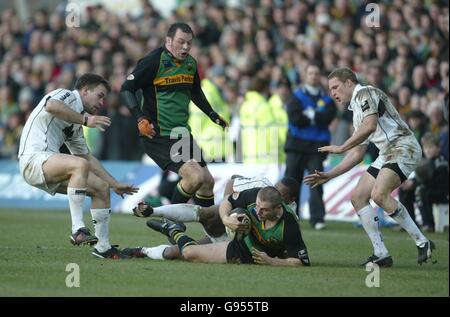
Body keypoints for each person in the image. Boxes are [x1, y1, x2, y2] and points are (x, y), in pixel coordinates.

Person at [304, 67, 435, 266]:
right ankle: (381, 252)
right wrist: (329, 175)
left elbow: (370, 126)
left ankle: (422, 241)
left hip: (402, 146)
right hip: (387, 153)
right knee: (357, 197)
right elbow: (357, 154)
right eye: (330, 90)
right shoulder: (356, 110)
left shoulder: (365, 93)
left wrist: (340, 147)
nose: (333, 94)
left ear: (349, 82)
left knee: (378, 195)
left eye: (336, 87)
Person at [18, 73, 139, 259]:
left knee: (101, 187)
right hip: (33, 159)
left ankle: (103, 247)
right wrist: (86, 121)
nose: (101, 103)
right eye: (99, 95)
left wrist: (114, 183)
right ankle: (78, 230)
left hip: (48, 163)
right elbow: (51, 106)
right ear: (84, 91)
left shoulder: (75, 123)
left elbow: (87, 157)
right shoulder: (67, 95)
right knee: (78, 165)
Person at [120, 22, 228, 208]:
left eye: (189, 43)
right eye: (181, 42)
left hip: (182, 134)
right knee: (195, 177)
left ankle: (213, 233)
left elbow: (195, 92)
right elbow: (126, 89)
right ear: (168, 41)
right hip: (158, 135)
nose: (185, 47)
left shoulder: (190, 64)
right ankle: (169, 223)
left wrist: (212, 114)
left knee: (207, 182)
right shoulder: (154, 61)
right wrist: (140, 117)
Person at [126, 176, 300, 260]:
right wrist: (227, 217)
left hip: (238, 245)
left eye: (281, 194)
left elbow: (288, 252)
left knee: (178, 253)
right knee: (208, 213)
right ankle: (152, 211)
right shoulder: (263, 187)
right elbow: (233, 181)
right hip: (228, 224)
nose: (274, 194)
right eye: (275, 189)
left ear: (291, 200)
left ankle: (144, 250)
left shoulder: (291, 220)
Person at [284, 64, 336, 229]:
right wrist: (315, 117)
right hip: (296, 146)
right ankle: (289, 217)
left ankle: (317, 218)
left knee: (316, 182)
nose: (313, 76)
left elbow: (327, 117)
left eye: (316, 73)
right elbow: (294, 118)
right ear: (305, 75)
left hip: (316, 147)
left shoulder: (327, 98)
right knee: (291, 183)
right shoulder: (296, 96)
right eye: (310, 72)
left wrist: (309, 115)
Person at [415, 132, 449, 232]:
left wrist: (419, 184)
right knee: (406, 192)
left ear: (438, 148)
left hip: (443, 193)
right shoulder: (425, 161)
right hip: (431, 190)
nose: (428, 150)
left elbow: (440, 182)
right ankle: (411, 222)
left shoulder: (441, 161)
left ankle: (428, 224)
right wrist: (412, 183)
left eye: (431, 147)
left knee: (421, 191)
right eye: (426, 148)